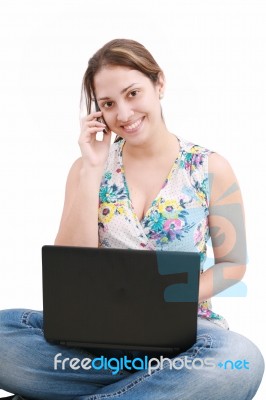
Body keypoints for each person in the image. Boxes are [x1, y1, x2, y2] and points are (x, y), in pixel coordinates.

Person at [0, 38, 264, 400]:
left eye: (133, 93)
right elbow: (72, 268)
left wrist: (161, 300)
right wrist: (92, 170)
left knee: (240, 360)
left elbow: (233, 265)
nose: (123, 114)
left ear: (159, 84)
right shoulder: (85, 169)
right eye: (108, 104)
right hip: (97, 340)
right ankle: (149, 389)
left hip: (184, 341)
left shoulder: (209, 168)